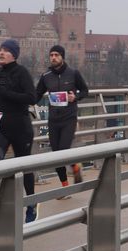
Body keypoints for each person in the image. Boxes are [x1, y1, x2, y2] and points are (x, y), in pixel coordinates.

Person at [0, 39, 38, 223]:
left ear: (14, 55)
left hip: (20, 126)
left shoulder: (21, 72)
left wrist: (4, 93)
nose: (1, 53)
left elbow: (31, 98)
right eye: (1, 50)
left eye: (6, 51)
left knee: (23, 168)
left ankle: (31, 204)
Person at [35, 45, 89, 192]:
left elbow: (85, 90)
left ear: (62, 57)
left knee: (63, 150)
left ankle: (74, 167)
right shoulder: (46, 76)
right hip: (53, 120)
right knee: (55, 155)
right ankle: (65, 185)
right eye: (51, 55)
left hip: (69, 119)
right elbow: (36, 95)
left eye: (56, 55)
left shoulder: (73, 74)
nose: (53, 57)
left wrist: (75, 97)